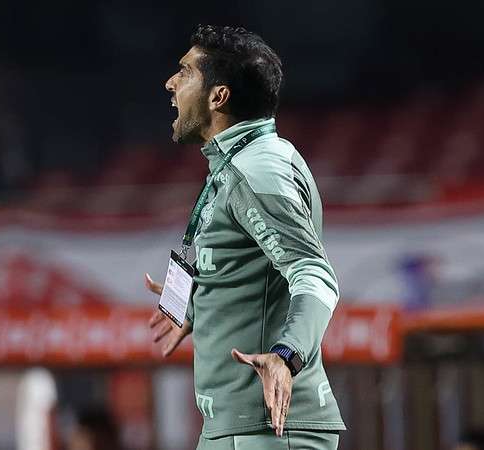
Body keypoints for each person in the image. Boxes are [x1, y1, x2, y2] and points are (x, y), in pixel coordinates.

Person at [146, 25, 345, 449]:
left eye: (185, 72)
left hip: (268, 430)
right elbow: (258, 268)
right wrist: (204, 298)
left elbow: (314, 275)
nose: (171, 82)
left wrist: (286, 357)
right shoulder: (242, 161)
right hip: (239, 429)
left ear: (218, 96)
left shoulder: (258, 168)